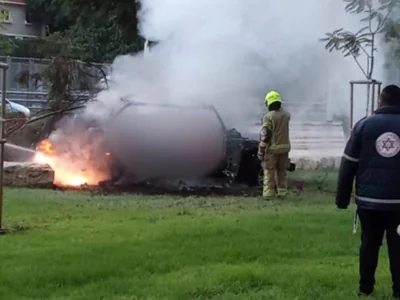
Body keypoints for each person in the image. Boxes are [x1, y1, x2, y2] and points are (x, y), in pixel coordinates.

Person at [336, 84, 400, 298]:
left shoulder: (364, 125)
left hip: (369, 202)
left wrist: (342, 199)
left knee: (369, 245)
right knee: (398, 247)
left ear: (379, 102)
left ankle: (365, 289)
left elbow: (348, 164)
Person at [258, 90, 291, 198]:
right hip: (285, 148)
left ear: (268, 103)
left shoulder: (268, 117)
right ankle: (282, 193)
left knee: (269, 172)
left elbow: (265, 135)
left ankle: (268, 194)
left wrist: (261, 150)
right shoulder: (286, 115)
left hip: (272, 149)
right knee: (282, 171)